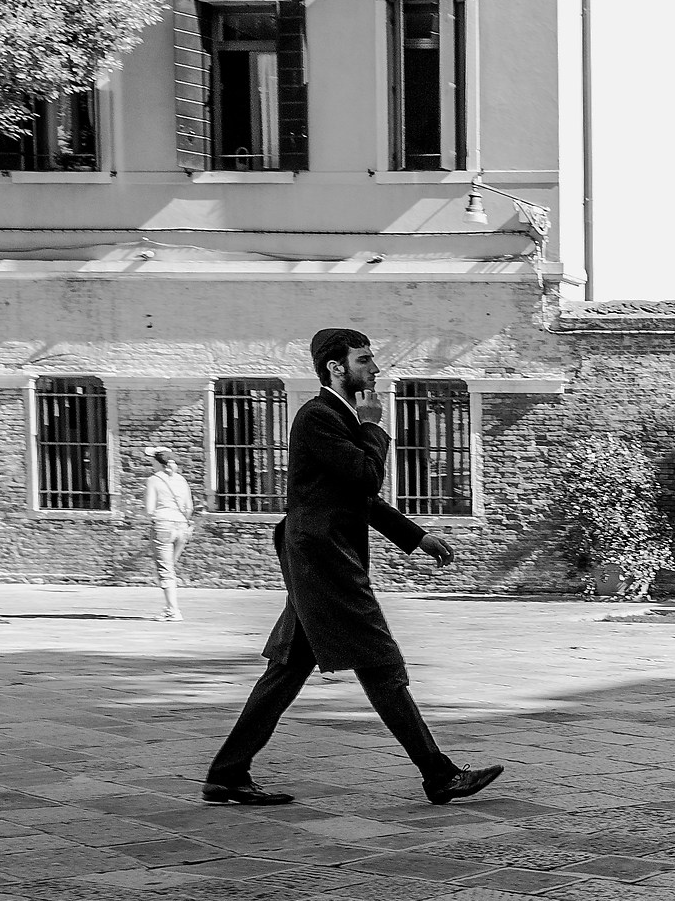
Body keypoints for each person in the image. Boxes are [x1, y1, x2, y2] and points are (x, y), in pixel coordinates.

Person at [202, 328, 503, 807]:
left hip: (319, 553)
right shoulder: (318, 417)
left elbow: (357, 495)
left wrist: (416, 536)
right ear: (336, 368)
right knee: (379, 660)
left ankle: (227, 773)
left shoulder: (333, 416)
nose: (375, 370)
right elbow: (366, 475)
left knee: (288, 667)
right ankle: (438, 774)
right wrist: (372, 425)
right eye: (365, 361)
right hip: (324, 557)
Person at [143, 446, 195, 621]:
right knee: (170, 568)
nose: (151, 463)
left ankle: (173, 610)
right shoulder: (182, 480)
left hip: (163, 526)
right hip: (182, 527)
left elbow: (149, 510)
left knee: (166, 571)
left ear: (158, 462)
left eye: (152, 460)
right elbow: (189, 508)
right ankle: (171, 608)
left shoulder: (153, 480)